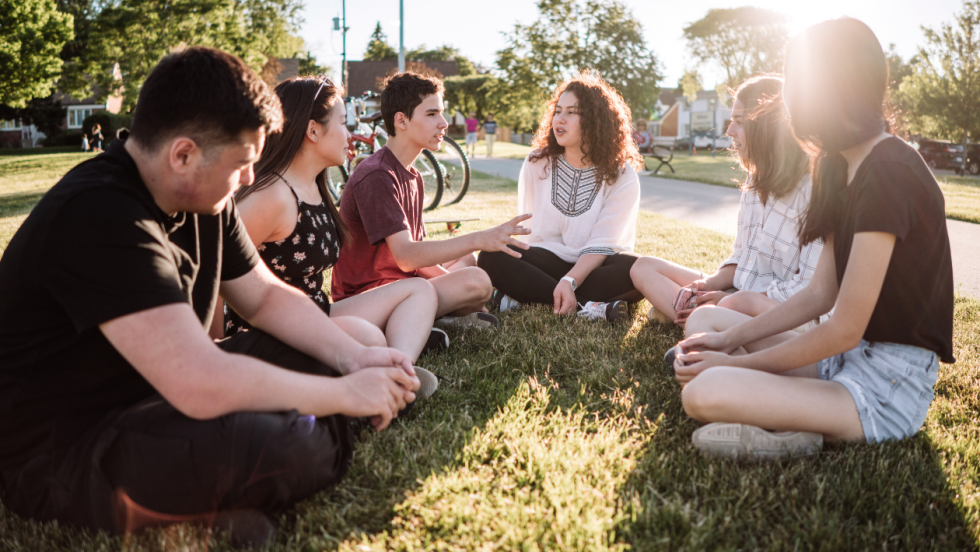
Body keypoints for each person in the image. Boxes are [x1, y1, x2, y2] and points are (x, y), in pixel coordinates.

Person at [0, 47, 419, 543]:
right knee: (292, 446)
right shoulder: (102, 215)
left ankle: (232, 481)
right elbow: (196, 379)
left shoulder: (201, 193)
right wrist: (344, 395)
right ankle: (212, 496)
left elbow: (264, 298)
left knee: (318, 355)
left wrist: (354, 360)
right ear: (182, 154)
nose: (248, 178)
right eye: (242, 163)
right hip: (67, 446)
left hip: (156, 398)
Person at [673, 18, 955, 461]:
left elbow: (845, 328)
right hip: (841, 357)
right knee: (706, 325)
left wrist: (736, 364)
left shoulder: (889, 173)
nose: (787, 98)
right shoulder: (834, 167)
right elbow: (821, 294)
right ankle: (792, 417)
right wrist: (729, 342)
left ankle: (798, 423)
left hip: (887, 383)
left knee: (703, 393)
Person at [213, 75, 445, 361]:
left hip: (317, 311)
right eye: (343, 123)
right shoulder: (272, 196)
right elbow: (215, 270)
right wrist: (215, 347)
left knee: (419, 290)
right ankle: (394, 370)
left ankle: (399, 368)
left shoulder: (313, 186)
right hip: (271, 327)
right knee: (368, 336)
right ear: (313, 130)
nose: (349, 135)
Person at [330, 72, 530, 329]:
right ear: (401, 120)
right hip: (368, 295)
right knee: (477, 282)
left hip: (404, 283)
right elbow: (406, 257)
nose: (444, 123)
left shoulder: (413, 176)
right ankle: (428, 319)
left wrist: (455, 285)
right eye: (432, 114)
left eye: (442, 113)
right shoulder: (377, 174)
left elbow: (418, 256)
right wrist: (478, 239)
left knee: (468, 263)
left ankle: (433, 319)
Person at [630, 75, 820, 330]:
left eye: (739, 122)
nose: (729, 131)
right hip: (738, 290)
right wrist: (709, 285)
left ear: (768, 127)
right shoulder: (754, 181)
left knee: (727, 308)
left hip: (780, 311)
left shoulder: (813, 190)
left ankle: (695, 316)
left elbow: (808, 291)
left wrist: (732, 301)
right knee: (643, 267)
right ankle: (700, 316)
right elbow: (741, 255)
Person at [477, 70, 643, 323]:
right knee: (493, 255)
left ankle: (520, 297)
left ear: (596, 120)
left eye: (572, 112)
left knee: (636, 270)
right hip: (547, 259)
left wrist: (570, 279)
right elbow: (531, 232)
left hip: (598, 264)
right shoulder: (537, 162)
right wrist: (557, 276)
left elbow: (604, 242)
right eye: (558, 110)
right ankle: (591, 308)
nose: (559, 119)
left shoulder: (622, 174)